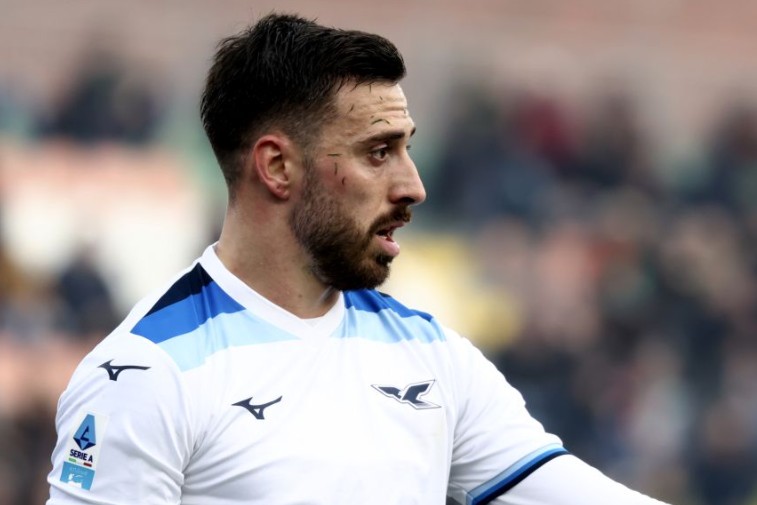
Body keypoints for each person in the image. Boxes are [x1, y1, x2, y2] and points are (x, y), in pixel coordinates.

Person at [47, 13, 673, 505]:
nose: (413, 186)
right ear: (277, 166)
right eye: (378, 153)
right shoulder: (146, 374)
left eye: (407, 150)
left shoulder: (431, 356)